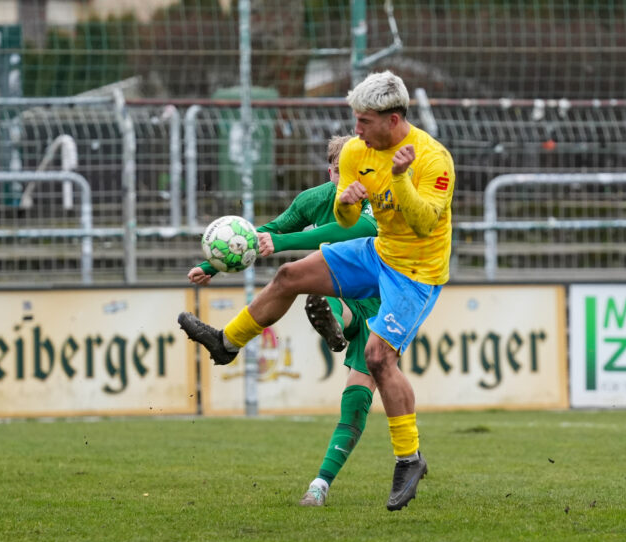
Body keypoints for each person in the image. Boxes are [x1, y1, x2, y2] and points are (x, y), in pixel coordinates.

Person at [179, 70, 455, 511]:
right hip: (378, 253)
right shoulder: (356, 152)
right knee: (290, 276)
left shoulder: (433, 158)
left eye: (364, 121)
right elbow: (348, 222)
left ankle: (409, 458)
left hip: (416, 272)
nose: (356, 130)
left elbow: (423, 224)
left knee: (378, 358)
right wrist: (345, 204)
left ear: (394, 119)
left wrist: (400, 178)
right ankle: (226, 343)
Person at [186, 135, 382, 508]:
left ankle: (324, 481)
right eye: (341, 171)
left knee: (358, 399)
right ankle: (320, 325)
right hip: (340, 290)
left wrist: (285, 242)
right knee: (303, 284)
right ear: (330, 172)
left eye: (357, 171)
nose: (349, 179)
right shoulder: (315, 199)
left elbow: (353, 230)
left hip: (384, 303)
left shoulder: (379, 198)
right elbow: (268, 233)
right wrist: (213, 264)